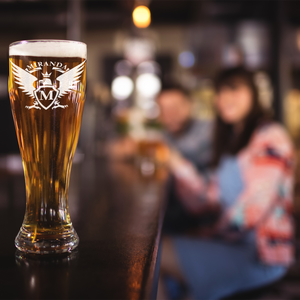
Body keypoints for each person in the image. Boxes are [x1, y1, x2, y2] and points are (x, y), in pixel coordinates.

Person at [158, 67, 295, 300]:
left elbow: (252, 210)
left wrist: (206, 233)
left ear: (253, 93)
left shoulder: (270, 136)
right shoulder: (232, 141)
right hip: (233, 242)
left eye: (234, 89)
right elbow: (205, 201)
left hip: (261, 255)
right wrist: (176, 164)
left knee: (152, 255)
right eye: (220, 92)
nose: (225, 98)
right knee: (154, 253)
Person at [156, 85, 214, 233]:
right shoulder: (166, 134)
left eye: (175, 107)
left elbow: (189, 151)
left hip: (206, 223)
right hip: (179, 218)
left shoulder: (209, 130)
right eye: (164, 109)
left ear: (190, 105)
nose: (170, 114)